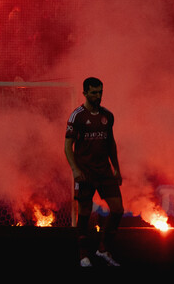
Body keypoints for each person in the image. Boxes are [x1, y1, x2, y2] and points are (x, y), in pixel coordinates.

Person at [64, 77, 123, 267]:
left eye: (100, 92)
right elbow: (67, 146)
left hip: (105, 172)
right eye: (94, 92)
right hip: (86, 172)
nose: (98, 96)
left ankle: (103, 249)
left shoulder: (108, 116)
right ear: (85, 93)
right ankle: (83, 255)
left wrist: (116, 168)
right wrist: (75, 169)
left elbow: (111, 144)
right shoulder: (77, 116)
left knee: (117, 209)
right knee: (85, 212)